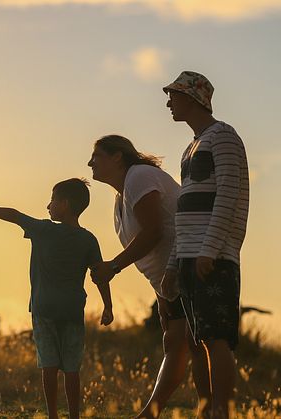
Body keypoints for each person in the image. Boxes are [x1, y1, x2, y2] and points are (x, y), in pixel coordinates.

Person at [0, 178, 112, 419]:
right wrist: (108, 306)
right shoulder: (88, 239)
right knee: (72, 369)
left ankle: (52, 415)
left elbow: (13, 214)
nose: (48, 206)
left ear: (64, 204)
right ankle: (74, 416)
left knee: (48, 366)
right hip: (72, 310)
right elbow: (100, 275)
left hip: (44, 309)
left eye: (52, 200)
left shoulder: (44, 229)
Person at [88, 135, 202, 418]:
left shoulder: (138, 176)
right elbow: (152, 246)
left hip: (189, 264)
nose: (90, 162)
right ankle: (157, 412)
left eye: (97, 155)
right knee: (177, 343)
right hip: (169, 280)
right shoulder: (121, 196)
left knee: (197, 344)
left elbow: (154, 232)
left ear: (117, 157)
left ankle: (202, 410)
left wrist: (113, 266)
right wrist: (160, 293)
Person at [161, 71, 250, 419]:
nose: (169, 102)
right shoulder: (190, 147)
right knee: (198, 342)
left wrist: (210, 249)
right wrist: (172, 265)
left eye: (174, 95)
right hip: (188, 256)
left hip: (212, 256)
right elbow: (184, 212)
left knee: (216, 339)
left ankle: (221, 413)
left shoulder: (223, 136)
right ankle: (206, 410)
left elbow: (229, 194)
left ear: (193, 99)